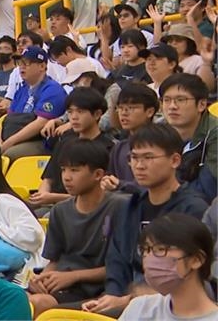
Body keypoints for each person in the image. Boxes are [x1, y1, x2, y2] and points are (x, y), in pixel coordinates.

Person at [88, 124, 210, 315]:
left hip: (168, 303)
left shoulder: (193, 209)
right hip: (122, 299)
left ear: (175, 160)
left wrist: (126, 299)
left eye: (148, 157)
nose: (139, 165)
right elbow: (117, 260)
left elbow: (191, 275)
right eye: (134, 158)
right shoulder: (129, 206)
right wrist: (113, 294)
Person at [29, 140, 122, 316]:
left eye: (75, 170)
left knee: (38, 305)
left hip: (98, 291)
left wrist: (73, 276)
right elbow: (54, 260)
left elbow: (122, 266)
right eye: (63, 170)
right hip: (63, 284)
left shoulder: (119, 208)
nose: (66, 177)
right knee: (15, 300)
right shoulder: (60, 211)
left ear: (98, 174)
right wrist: (42, 279)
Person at [117, 214, 218, 321]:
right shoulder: (139, 308)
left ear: (197, 259)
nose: (150, 258)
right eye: (146, 250)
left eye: (161, 249)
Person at [32, 87, 114, 210]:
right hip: (51, 205)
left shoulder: (108, 148)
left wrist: (53, 197)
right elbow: (48, 179)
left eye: (80, 112)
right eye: (70, 112)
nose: (74, 117)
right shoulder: (64, 142)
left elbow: (99, 195)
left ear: (97, 114)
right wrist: (42, 196)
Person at [159, 73, 217, 202]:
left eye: (181, 100)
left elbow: (210, 189)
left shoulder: (214, 133)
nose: (172, 106)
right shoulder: (160, 130)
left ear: (201, 104)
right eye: (167, 100)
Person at [1, 46, 67, 160]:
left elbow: (41, 123)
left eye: (26, 63)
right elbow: (8, 118)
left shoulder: (52, 89)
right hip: (15, 137)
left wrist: (8, 143)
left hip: (39, 141)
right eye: (19, 63)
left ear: (42, 66)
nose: (21, 67)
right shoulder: (21, 89)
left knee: (9, 154)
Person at [102, 83, 159, 194]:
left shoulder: (160, 145)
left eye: (131, 108)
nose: (124, 113)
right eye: (121, 108)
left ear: (150, 111)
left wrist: (120, 185)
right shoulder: (119, 147)